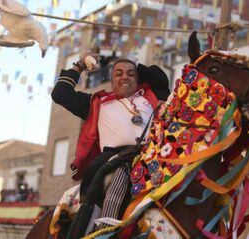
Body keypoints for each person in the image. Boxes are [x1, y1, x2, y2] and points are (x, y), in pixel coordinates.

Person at [51, 52, 170, 237]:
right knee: (119, 177)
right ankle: (103, 232)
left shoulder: (151, 98)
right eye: (119, 73)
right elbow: (60, 94)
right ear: (111, 80)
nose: (125, 77)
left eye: (131, 74)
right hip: (116, 159)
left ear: (138, 80)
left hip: (154, 156)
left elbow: (159, 77)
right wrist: (80, 64)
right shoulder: (98, 103)